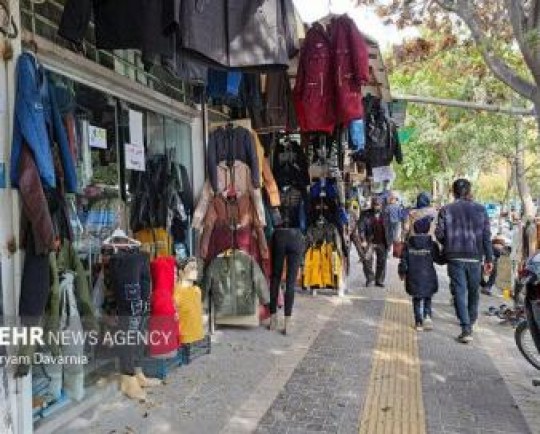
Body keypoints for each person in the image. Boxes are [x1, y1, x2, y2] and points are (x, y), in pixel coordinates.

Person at [435, 179, 493, 344]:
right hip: (475, 257)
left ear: (453, 192)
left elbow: (439, 234)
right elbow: (486, 236)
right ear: (469, 191)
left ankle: (466, 328)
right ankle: (471, 319)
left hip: (454, 256)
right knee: (474, 290)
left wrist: (449, 242)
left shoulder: (446, 209)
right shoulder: (481, 210)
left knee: (459, 291)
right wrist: (489, 258)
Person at [398, 216, 442, 331]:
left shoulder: (408, 245)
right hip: (428, 276)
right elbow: (438, 259)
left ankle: (418, 322)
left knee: (416, 299)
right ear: (427, 229)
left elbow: (403, 261)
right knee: (428, 297)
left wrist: (402, 273)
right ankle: (427, 316)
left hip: (413, 277)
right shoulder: (431, 245)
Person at [358, 197, 392, 287]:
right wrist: (363, 240)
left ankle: (379, 280)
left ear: (381, 205)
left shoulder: (385, 214)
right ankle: (370, 278)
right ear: (372, 204)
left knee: (382, 262)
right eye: (375, 204)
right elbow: (361, 227)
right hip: (370, 241)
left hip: (382, 241)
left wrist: (390, 242)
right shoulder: (365, 214)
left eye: (378, 205)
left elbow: (389, 229)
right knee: (367, 260)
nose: (377, 206)